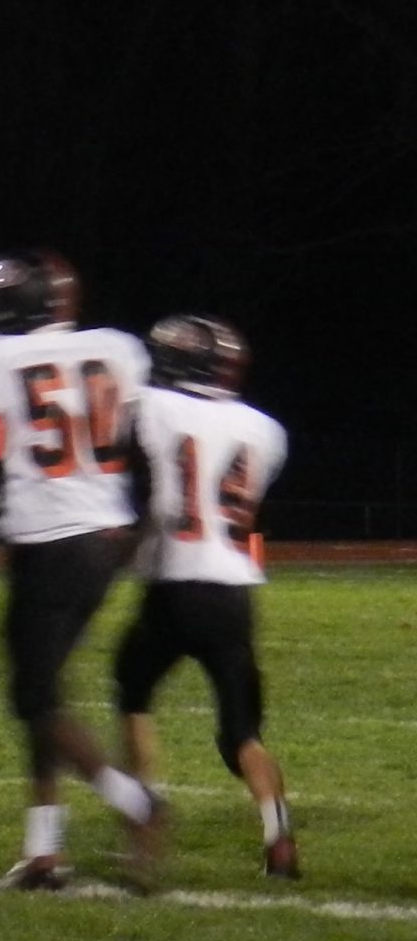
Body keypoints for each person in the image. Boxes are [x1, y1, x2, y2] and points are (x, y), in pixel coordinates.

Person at [0, 250, 167, 890]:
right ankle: (44, 852)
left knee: (34, 696)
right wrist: (140, 524)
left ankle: (136, 804)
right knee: (44, 694)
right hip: (103, 538)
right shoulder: (116, 350)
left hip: (49, 541)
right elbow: (146, 443)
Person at [113, 315, 298, 877]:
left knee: (133, 693)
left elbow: (143, 481)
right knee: (242, 732)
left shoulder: (151, 406)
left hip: (173, 583)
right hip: (235, 592)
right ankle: (277, 831)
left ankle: (147, 809)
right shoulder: (267, 430)